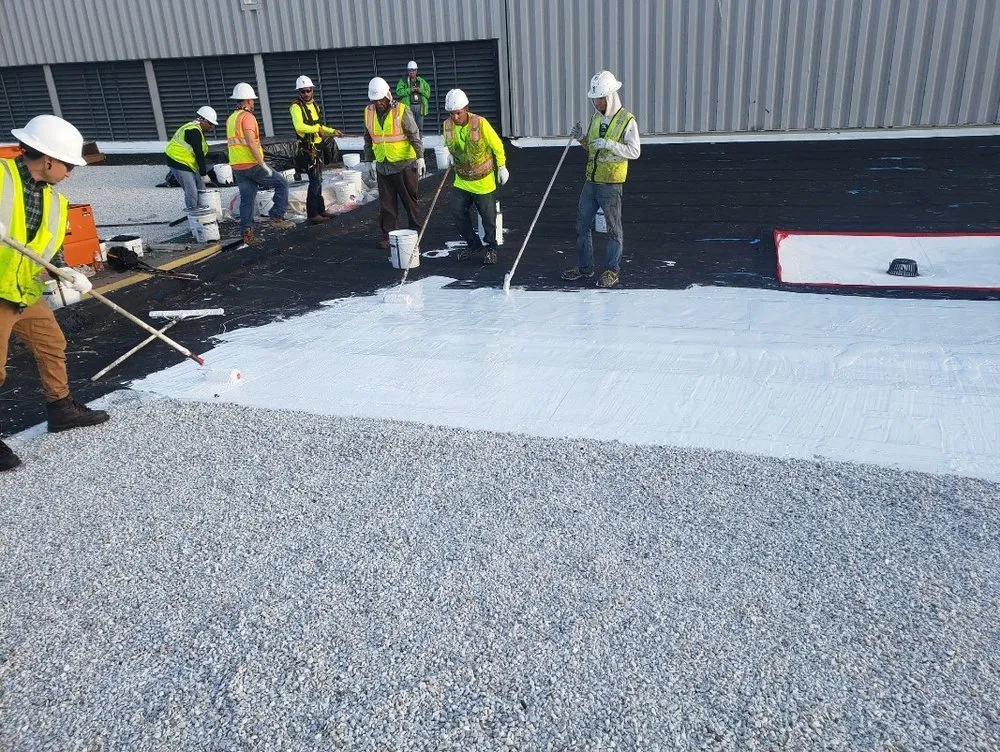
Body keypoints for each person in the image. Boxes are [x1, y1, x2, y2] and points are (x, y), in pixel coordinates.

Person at [0, 115, 110, 471]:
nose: (71, 172)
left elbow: (49, 248)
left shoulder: (55, 201)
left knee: (52, 344)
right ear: (48, 159)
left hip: (23, 290)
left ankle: (60, 409)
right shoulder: (1, 177)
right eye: (68, 164)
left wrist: (67, 272)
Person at [561, 70, 640, 289]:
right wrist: (580, 138)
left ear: (611, 96)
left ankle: (611, 271)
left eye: (600, 99)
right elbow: (592, 147)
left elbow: (635, 151)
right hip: (591, 181)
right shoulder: (596, 118)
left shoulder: (627, 121)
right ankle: (585, 268)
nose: (596, 103)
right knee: (582, 226)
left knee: (614, 229)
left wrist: (610, 144)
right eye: (594, 99)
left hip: (611, 184)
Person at [442, 89, 508, 265]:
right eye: (451, 113)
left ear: (466, 109)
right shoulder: (447, 125)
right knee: (457, 211)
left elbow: (497, 145)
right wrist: (450, 154)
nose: (454, 117)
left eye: (458, 113)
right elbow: (450, 144)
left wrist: (501, 166)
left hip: (483, 181)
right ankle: (473, 244)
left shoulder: (480, 123)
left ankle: (491, 248)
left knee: (488, 218)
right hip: (462, 180)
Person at [226, 82, 294, 245]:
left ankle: (246, 233)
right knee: (282, 183)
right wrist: (262, 163)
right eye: (253, 100)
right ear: (248, 100)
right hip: (251, 164)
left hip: (237, 166)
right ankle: (276, 217)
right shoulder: (248, 117)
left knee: (247, 200)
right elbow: (250, 141)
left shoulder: (231, 118)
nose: (253, 103)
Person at [363, 77, 425, 250]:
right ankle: (388, 235)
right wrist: (368, 161)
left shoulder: (401, 110)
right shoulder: (368, 112)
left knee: (410, 201)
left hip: (404, 164)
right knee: (387, 204)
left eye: (382, 99)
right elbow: (368, 138)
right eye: (376, 100)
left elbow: (414, 134)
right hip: (383, 165)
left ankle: (416, 232)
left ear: (388, 95)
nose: (379, 103)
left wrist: (420, 156)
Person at [289, 75, 344, 224]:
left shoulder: (314, 106)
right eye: (303, 91)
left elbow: (319, 126)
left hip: (317, 147)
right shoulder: (296, 107)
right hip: (308, 148)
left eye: (308, 91)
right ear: (299, 92)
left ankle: (321, 210)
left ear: (312, 90)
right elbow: (299, 126)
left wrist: (333, 131)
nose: (306, 94)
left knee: (319, 180)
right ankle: (312, 214)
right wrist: (315, 129)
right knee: (314, 181)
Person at [163, 106, 217, 213]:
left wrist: (201, 174)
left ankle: (203, 211)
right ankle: (194, 216)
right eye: (210, 123)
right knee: (191, 191)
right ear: (202, 120)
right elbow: (199, 153)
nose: (211, 127)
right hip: (178, 161)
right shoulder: (193, 131)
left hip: (188, 162)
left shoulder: (197, 129)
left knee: (201, 187)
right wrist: (203, 173)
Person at [395, 61, 431, 133]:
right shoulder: (403, 81)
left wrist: (421, 91)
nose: (411, 72)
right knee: (410, 126)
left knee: (420, 127)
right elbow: (398, 92)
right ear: (408, 71)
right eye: (410, 70)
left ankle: (419, 142)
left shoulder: (422, 81)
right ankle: (412, 143)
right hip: (408, 107)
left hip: (420, 107)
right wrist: (409, 90)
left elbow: (428, 94)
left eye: (413, 70)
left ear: (416, 70)